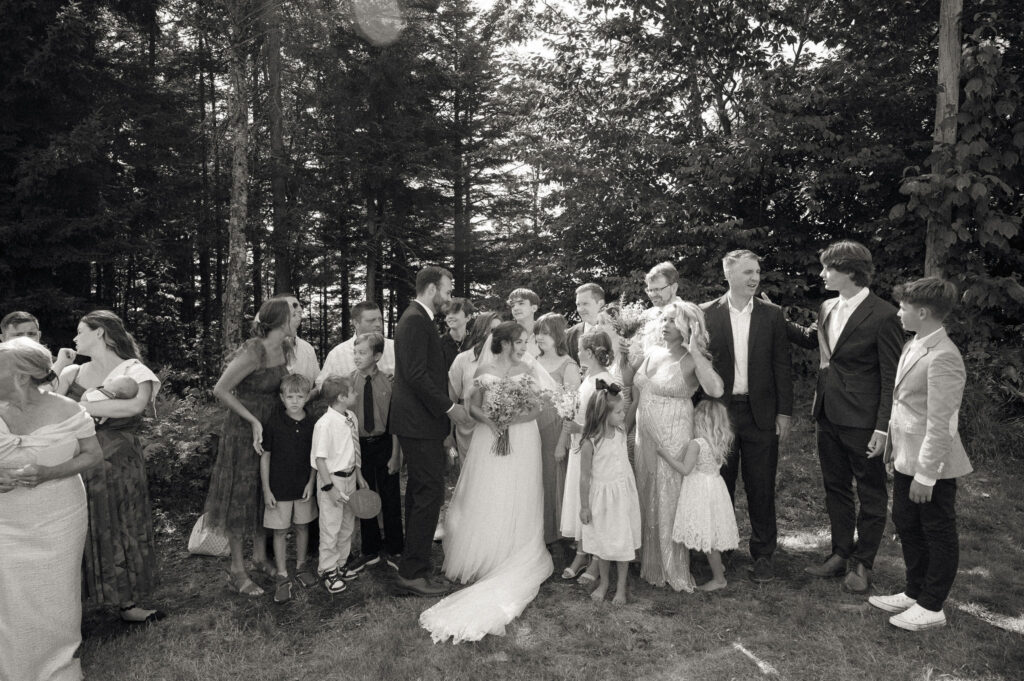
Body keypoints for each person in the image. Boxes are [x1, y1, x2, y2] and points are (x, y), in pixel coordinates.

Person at [419, 321, 555, 643]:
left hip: (523, 439)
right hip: (490, 438)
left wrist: (514, 420)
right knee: (491, 492)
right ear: (504, 342)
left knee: (521, 492)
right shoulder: (486, 369)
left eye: (526, 342)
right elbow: (473, 407)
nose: (525, 347)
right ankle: (490, 553)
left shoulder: (528, 368)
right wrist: (494, 421)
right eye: (520, 342)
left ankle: (516, 548)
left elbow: (537, 406)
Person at [788, 240, 903, 594]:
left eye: (828, 268)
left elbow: (891, 377)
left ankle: (862, 563)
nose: (822, 274)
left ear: (851, 272)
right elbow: (816, 341)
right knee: (834, 488)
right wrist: (775, 317)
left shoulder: (884, 314)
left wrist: (883, 429)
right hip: (827, 414)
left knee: (870, 493)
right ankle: (840, 554)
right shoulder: (825, 307)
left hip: (865, 421)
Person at [869, 277, 973, 631]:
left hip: (933, 466)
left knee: (937, 531)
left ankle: (932, 605)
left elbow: (942, 423)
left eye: (903, 307)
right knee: (907, 523)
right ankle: (914, 591)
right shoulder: (914, 343)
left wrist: (927, 475)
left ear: (923, 312)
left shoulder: (944, 356)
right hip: (905, 458)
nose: (899, 312)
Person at [0, 338, 103, 681]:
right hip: (6, 523)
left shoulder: (68, 410)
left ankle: (58, 671)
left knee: (57, 597)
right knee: (10, 599)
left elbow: (93, 455)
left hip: (59, 520)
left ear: (21, 376)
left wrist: (49, 473)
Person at [54, 310, 164, 623]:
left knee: (122, 522)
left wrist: (78, 407)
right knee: (80, 526)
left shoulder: (135, 371)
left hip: (121, 462)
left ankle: (127, 604)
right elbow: (46, 408)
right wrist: (59, 365)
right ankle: (70, 607)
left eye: (80, 331)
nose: (74, 339)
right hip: (77, 459)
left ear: (100, 332)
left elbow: (134, 406)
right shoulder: (71, 374)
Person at [701, 249, 793, 583]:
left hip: (761, 413)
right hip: (719, 415)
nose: (754, 278)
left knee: (761, 484)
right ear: (728, 274)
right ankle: (721, 549)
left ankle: (764, 554)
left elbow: (782, 365)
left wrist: (784, 411)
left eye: (757, 272)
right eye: (747, 273)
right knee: (719, 483)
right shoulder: (705, 314)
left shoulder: (772, 314)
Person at [624, 301, 723, 592]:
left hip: (674, 432)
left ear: (688, 327)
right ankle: (648, 559)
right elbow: (636, 392)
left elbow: (716, 390)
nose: (665, 325)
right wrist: (624, 429)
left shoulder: (693, 359)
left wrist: (694, 350)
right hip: (646, 434)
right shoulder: (652, 352)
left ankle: (673, 565)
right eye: (664, 320)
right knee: (646, 487)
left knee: (669, 495)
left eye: (672, 321)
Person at [390, 265, 473, 597]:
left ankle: (415, 562)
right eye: (447, 290)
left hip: (420, 422)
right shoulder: (413, 321)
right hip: (418, 422)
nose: (449, 296)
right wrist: (450, 408)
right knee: (429, 495)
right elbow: (415, 375)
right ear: (430, 289)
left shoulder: (419, 319)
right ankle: (412, 572)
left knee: (419, 494)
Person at [203, 298, 293, 596]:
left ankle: (259, 556)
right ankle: (237, 569)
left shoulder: (286, 347)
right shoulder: (253, 350)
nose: (299, 316)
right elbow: (220, 389)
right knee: (241, 497)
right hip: (244, 431)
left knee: (262, 491)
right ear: (281, 321)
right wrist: (253, 420)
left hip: (271, 429)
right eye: (295, 313)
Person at [658, 399, 741, 591]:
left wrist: (665, 455)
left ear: (700, 421)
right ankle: (717, 565)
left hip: (700, 492)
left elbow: (685, 469)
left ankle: (719, 579)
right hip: (715, 488)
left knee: (707, 537)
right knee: (710, 531)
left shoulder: (696, 444)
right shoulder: (719, 441)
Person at [578, 380, 641, 605]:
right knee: (603, 544)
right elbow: (584, 477)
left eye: (623, 411)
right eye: (618, 412)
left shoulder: (622, 432)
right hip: (602, 500)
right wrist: (584, 506)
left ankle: (621, 587)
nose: (622, 415)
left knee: (622, 541)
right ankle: (604, 582)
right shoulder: (590, 443)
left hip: (622, 497)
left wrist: (637, 393)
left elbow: (631, 413)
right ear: (603, 414)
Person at [560, 329, 616, 581]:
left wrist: (580, 429)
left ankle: (596, 559)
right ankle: (582, 552)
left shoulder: (605, 381)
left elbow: (611, 424)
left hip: (595, 450)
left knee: (593, 502)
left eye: (581, 349)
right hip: (579, 448)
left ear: (591, 353)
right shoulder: (587, 377)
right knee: (579, 499)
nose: (578, 352)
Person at [259, 373, 318, 603]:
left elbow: (315, 457)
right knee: (280, 531)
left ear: (306, 398)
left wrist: (311, 484)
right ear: (282, 398)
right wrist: (266, 490)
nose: (294, 401)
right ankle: (282, 573)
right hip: (278, 488)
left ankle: (302, 566)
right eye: (290, 396)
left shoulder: (312, 424)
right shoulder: (273, 423)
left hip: (303, 487)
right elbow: (265, 457)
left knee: (303, 526)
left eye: (299, 396)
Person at [348, 332, 404, 572]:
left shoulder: (389, 384)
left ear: (378, 356)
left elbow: (395, 423)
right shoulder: (348, 383)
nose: (357, 357)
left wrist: (396, 455)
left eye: (363, 353)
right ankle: (369, 549)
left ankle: (395, 548)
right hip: (358, 446)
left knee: (390, 497)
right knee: (365, 496)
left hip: (385, 444)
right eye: (355, 353)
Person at [312, 374, 368, 594]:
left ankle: (341, 563)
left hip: (351, 477)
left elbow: (354, 450)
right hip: (332, 480)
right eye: (352, 391)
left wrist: (359, 475)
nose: (356, 394)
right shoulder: (324, 425)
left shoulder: (351, 417)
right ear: (342, 397)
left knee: (347, 524)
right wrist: (329, 488)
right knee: (331, 527)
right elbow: (320, 459)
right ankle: (327, 569)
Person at [534, 313, 581, 544]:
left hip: (555, 430)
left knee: (554, 481)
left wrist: (563, 440)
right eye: (538, 332)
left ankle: (557, 538)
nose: (539, 337)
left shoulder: (569, 365)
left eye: (545, 332)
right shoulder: (533, 361)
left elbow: (572, 408)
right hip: (532, 429)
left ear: (557, 335)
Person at [447, 311, 502, 461]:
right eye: (492, 330)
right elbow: (451, 402)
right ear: (480, 331)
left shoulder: (506, 360)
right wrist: (448, 436)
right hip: (469, 429)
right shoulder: (463, 360)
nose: (496, 335)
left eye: (499, 330)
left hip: (498, 430)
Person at [317, 301, 396, 388]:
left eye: (380, 319)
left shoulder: (395, 348)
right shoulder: (337, 354)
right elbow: (322, 386)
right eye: (371, 320)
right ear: (356, 323)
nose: (378, 324)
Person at [271, 293, 320, 386]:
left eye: (299, 306)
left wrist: (308, 396)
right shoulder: (259, 348)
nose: (300, 310)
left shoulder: (308, 349)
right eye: (294, 306)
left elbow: (318, 385)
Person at [441, 298, 476, 371]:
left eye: (455, 312)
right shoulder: (438, 344)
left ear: (468, 317)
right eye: (447, 313)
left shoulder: (475, 344)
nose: (449, 317)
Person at [507, 288, 541, 357]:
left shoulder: (547, 333)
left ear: (534, 308)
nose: (515, 308)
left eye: (521, 303)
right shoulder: (506, 334)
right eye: (512, 305)